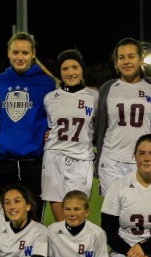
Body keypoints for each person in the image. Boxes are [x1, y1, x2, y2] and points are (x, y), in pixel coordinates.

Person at [0, 32, 58, 222]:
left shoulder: (47, 82)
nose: (20, 57)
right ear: (8, 53)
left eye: (25, 53)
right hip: (5, 161)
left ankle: (34, 253)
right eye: (16, 52)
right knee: (8, 219)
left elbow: (56, 116)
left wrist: (50, 133)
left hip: (34, 163)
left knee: (34, 220)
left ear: (33, 53)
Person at [94, 38, 151, 197]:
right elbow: (92, 122)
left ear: (140, 60)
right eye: (122, 57)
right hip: (111, 161)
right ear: (116, 62)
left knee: (139, 216)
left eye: (131, 56)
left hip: (142, 161)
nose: (126, 61)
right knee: (113, 216)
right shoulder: (108, 88)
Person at [42, 50, 98, 222]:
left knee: (77, 216)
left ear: (82, 69)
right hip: (54, 157)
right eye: (65, 68)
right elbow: (49, 126)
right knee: (60, 221)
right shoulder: (50, 98)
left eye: (75, 67)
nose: (70, 72)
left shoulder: (94, 96)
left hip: (82, 159)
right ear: (60, 71)